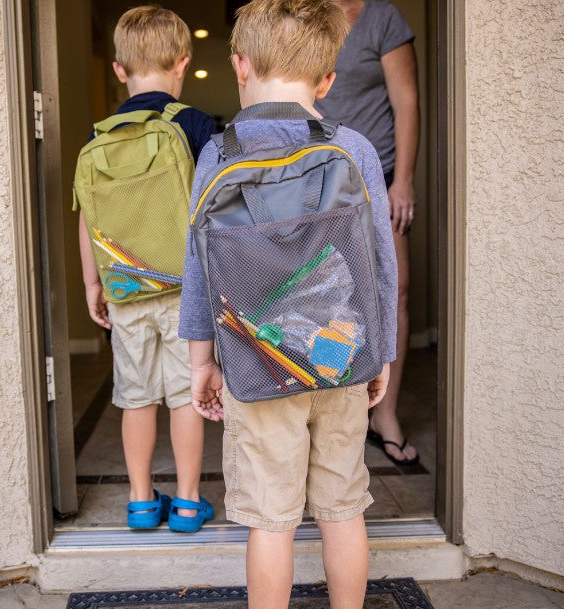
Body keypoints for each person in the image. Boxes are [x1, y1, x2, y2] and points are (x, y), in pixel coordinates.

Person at [178, 1, 398, 606]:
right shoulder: (352, 148)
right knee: (341, 508)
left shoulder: (219, 154)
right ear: (327, 80)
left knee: (270, 522)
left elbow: (199, 269)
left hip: (255, 362)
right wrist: (382, 354)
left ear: (239, 64)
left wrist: (203, 361)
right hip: (339, 354)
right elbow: (380, 262)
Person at [75, 5, 216, 532]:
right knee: (185, 397)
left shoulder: (97, 139)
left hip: (126, 291)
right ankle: (184, 502)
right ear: (183, 64)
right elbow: (212, 209)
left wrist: (94, 283)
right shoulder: (195, 125)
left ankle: (138, 500)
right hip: (185, 292)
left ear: (119, 70)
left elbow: (88, 218)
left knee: (136, 400)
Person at [315, 0, 420, 465]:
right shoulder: (300, 12)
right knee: (318, 297)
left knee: (393, 292)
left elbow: (406, 102)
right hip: (314, 179)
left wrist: (403, 181)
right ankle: (327, 418)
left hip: (378, 178)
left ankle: (386, 415)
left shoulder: (382, 18)